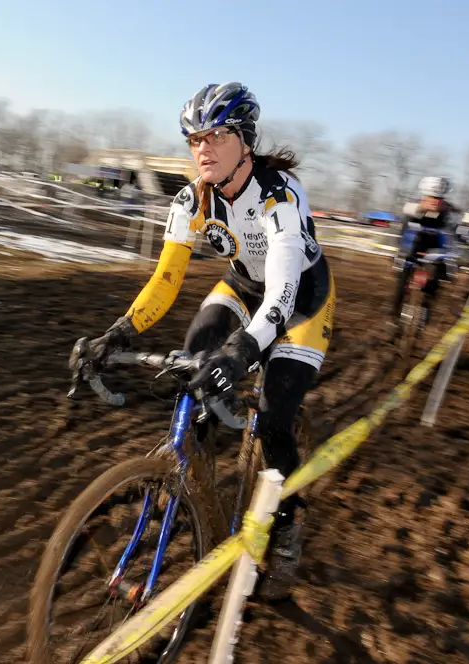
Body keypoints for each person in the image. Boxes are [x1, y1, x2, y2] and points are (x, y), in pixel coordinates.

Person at [71, 82, 336, 601]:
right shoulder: (191, 199)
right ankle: (198, 480)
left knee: (274, 414)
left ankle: (286, 527)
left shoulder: (280, 193)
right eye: (194, 139)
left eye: (215, 136)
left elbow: (280, 297)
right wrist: (118, 333)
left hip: (301, 300)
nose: (202, 149)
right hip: (242, 284)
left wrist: (240, 354)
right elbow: (165, 281)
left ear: (245, 141)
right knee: (193, 357)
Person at [389, 176, 459, 329]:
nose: (435, 201)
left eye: (439, 198)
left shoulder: (449, 212)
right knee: (401, 279)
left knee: (438, 275)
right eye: (431, 197)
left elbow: (454, 233)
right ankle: (394, 317)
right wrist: (420, 208)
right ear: (424, 196)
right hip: (413, 245)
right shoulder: (413, 206)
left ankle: (426, 307)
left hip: (435, 248)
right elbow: (404, 222)